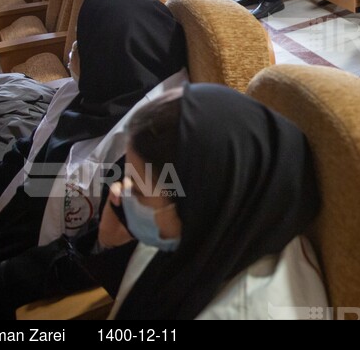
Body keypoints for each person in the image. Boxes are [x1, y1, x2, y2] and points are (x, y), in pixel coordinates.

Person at [0, 0, 188, 318]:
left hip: (18, 281)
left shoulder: (150, 149)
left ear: (111, 56)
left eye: (84, 42)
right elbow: (22, 159)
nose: (73, 50)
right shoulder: (87, 94)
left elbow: (89, 256)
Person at [102, 84, 325, 320]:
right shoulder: (215, 229)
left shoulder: (242, 312)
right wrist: (110, 237)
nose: (123, 195)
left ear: (197, 204)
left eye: (138, 191)